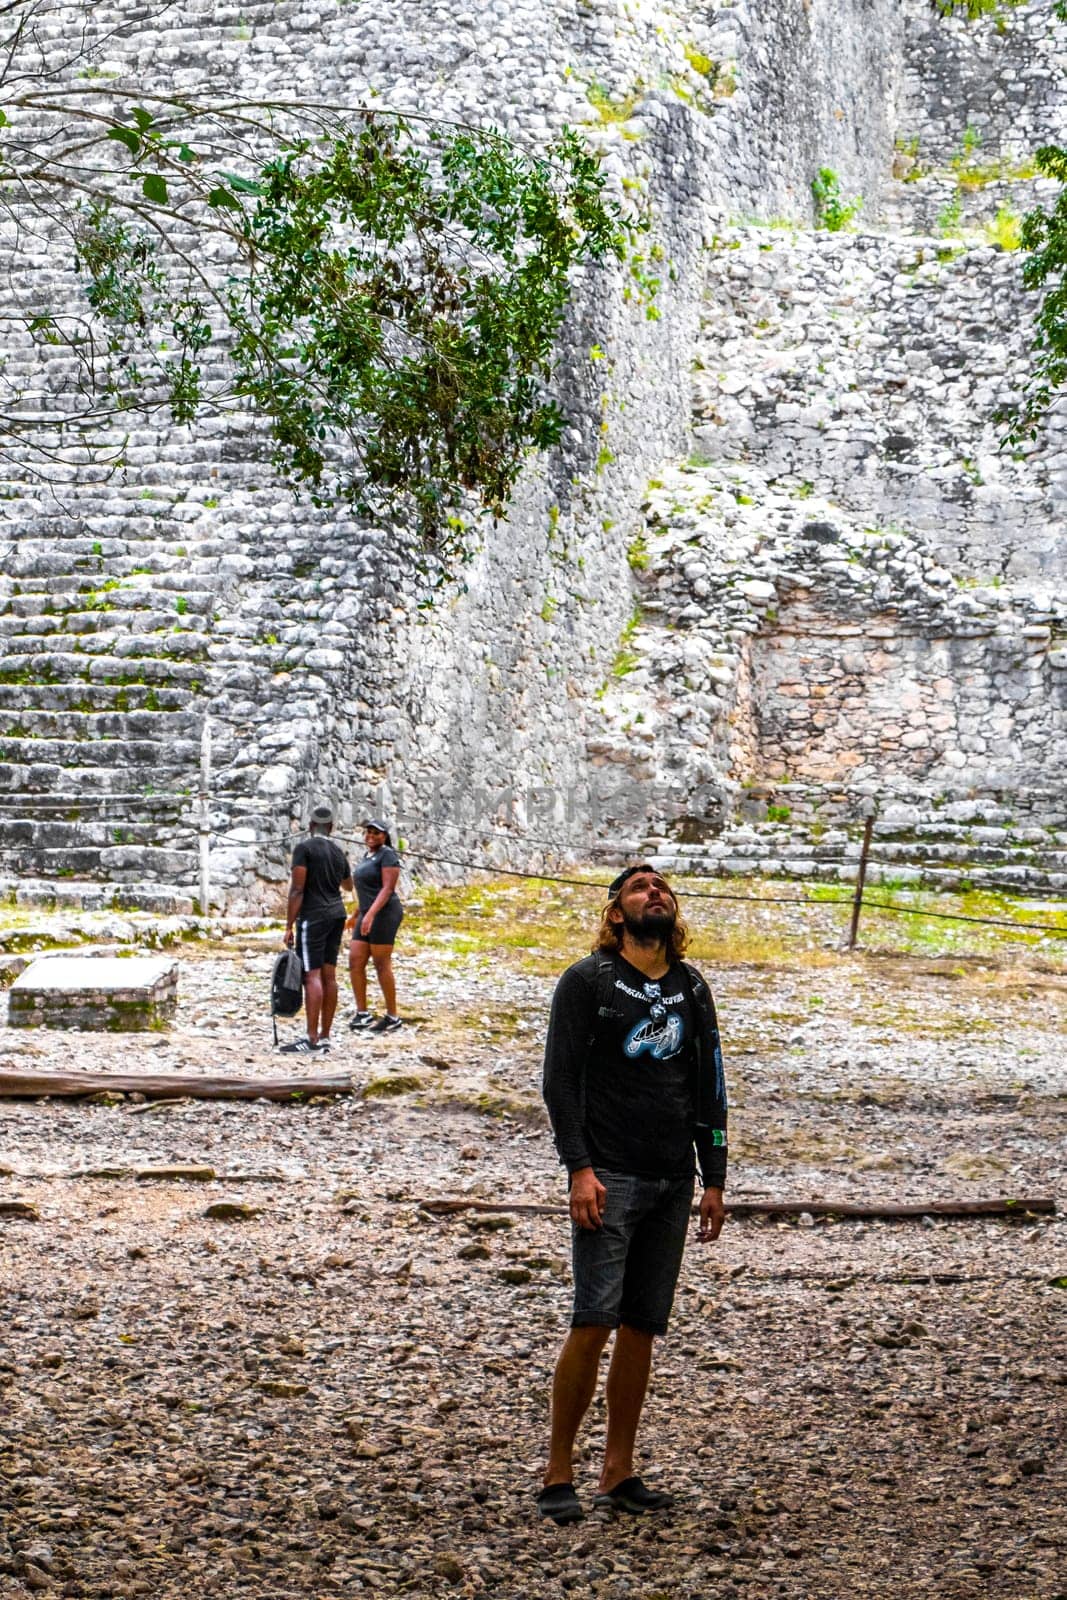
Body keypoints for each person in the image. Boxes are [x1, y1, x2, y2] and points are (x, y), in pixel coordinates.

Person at [538, 863, 728, 1525]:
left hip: (673, 1178)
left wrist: (715, 1178)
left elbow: (709, 1083)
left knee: (641, 1328)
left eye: (663, 887)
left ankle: (616, 1469)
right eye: (640, 886)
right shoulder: (587, 981)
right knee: (591, 1319)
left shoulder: (690, 987)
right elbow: (559, 1084)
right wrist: (577, 1169)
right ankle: (557, 1470)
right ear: (615, 911)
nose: (656, 892)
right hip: (608, 1175)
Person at [282, 802, 354, 1055]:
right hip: (337, 914)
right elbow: (348, 886)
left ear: (311, 826)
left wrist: (289, 924)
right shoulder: (338, 852)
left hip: (313, 916)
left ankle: (311, 1039)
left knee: (310, 975)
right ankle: (325, 1035)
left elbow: (297, 889)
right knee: (329, 976)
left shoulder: (304, 849)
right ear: (331, 828)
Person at [347, 817, 404, 1034]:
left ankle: (392, 1015)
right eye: (368, 831)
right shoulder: (366, 856)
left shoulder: (387, 855)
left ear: (385, 836)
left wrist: (370, 915)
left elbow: (387, 889)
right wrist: (357, 914)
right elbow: (366, 891)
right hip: (367, 912)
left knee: (381, 963)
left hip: (385, 913)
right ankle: (362, 1013)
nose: (371, 835)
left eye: (376, 832)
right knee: (355, 960)